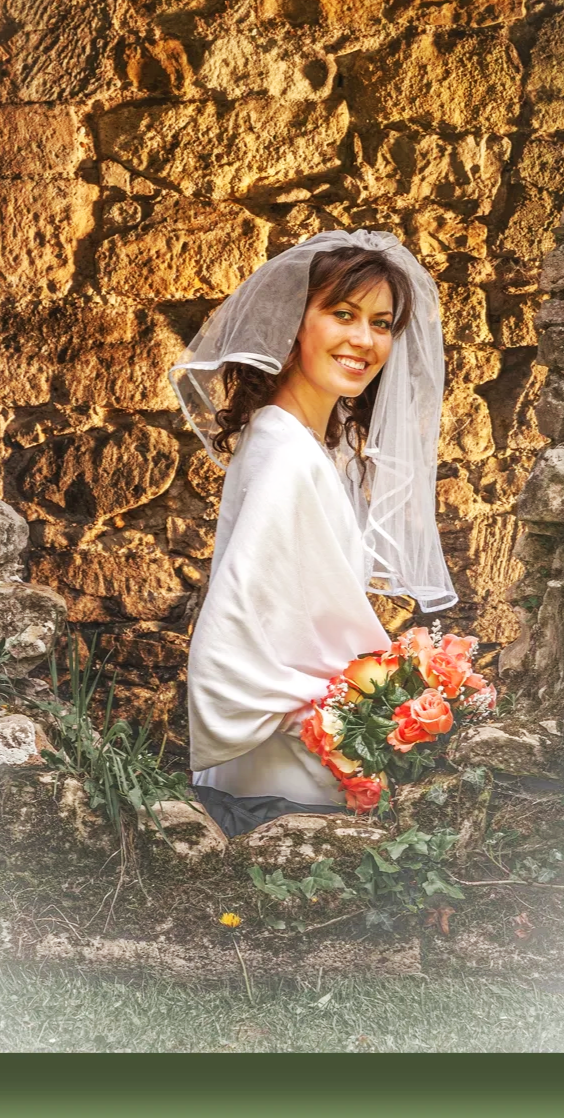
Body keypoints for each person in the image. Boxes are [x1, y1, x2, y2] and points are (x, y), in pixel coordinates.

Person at [169, 230, 457, 838]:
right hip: (291, 771)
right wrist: (363, 708)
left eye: (382, 323)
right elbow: (231, 635)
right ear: (293, 323)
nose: (364, 339)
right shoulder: (285, 454)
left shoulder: (307, 444)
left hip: (307, 751)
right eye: (342, 314)